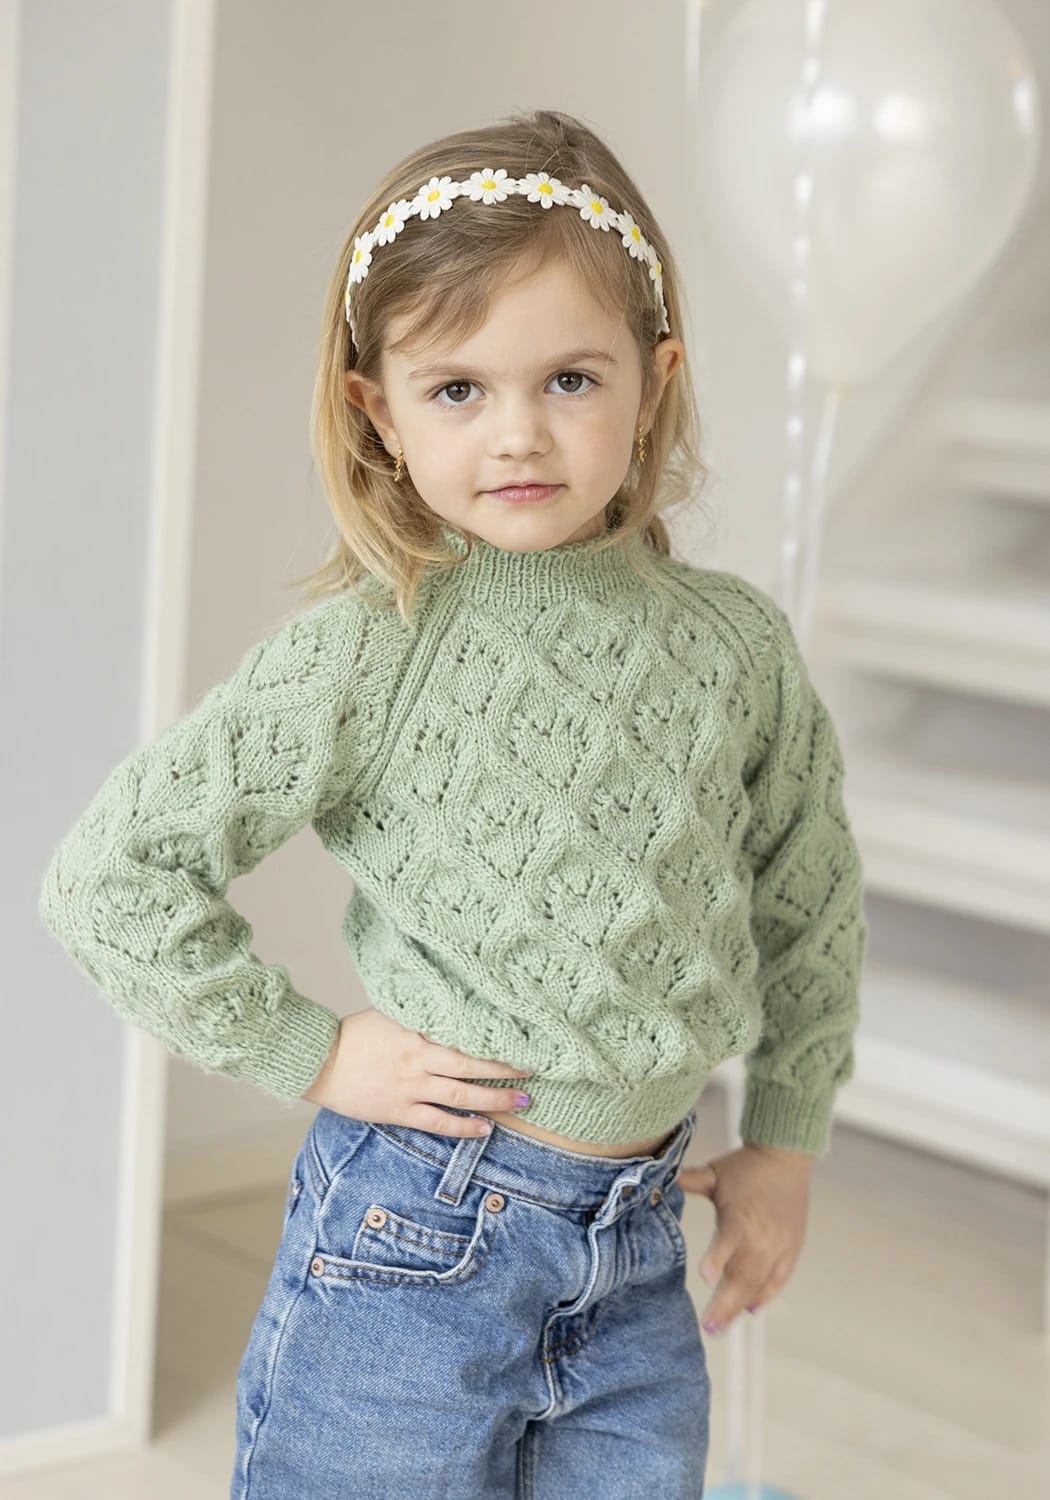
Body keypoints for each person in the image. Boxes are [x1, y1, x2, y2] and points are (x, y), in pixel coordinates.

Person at [37, 108, 867, 1497]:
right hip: (419, 1234)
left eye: (571, 378)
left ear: (654, 381)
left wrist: (783, 1140)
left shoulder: (733, 647)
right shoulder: (374, 645)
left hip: (640, 1237)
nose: (519, 432)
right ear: (378, 408)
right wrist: (314, 1051)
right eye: (458, 389)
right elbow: (110, 877)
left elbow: (809, 900)